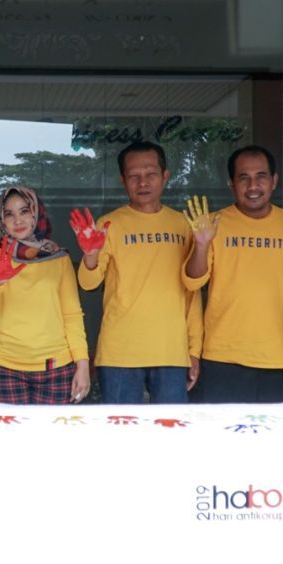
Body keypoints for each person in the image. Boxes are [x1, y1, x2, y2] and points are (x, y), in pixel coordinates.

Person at [183, 145, 283, 403]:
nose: (253, 186)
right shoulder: (213, 223)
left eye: (261, 176)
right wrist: (201, 245)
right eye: (243, 178)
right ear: (231, 184)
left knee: (274, 431)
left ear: (274, 181)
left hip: (278, 358)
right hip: (222, 357)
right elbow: (192, 281)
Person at [74, 141, 203, 404]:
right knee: (121, 428)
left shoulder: (183, 224)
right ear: (123, 180)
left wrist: (194, 349)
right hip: (120, 351)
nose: (142, 182)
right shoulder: (109, 224)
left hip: (171, 350)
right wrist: (90, 254)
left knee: (171, 427)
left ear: (165, 176)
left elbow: (193, 294)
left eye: (150, 174)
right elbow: (88, 283)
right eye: (134, 176)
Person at [0, 186, 89, 405]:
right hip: (1, 364)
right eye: (9, 214)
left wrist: (82, 364)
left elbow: (72, 314)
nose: (18, 220)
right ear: (2, 220)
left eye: (24, 211)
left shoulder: (58, 258)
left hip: (55, 366)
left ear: (36, 214)